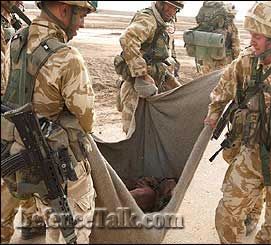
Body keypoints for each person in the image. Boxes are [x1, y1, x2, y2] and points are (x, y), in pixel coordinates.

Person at [2, 1, 97, 243]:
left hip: (23, 150)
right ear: (65, 10)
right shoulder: (67, 56)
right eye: (82, 15)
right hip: (56, 160)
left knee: (50, 220)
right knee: (72, 227)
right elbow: (87, 119)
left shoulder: (17, 41)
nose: (82, 24)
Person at [204, 1, 271, 243]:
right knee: (227, 215)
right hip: (251, 150)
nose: (251, 40)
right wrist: (214, 112)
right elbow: (221, 90)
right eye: (251, 34)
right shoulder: (247, 61)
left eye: (257, 35)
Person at [1, 1, 47, 242]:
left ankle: (31, 219)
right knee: (10, 174)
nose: (20, 2)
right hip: (7, 111)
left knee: (28, 164)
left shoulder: (12, 22)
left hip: (13, 109)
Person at [114, 1, 184, 134]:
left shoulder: (162, 24)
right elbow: (128, 38)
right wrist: (142, 74)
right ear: (160, 4)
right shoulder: (148, 19)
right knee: (135, 136)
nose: (172, 11)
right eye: (170, 6)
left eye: (175, 9)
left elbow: (159, 59)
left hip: (156, 86)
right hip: (137, 89)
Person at [194, 1, 241, 74]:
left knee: (206, 80)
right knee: (221, 82)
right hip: (224, 60)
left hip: (207, 59)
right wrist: (237, 61)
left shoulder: (208, 24)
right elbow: (236, 47)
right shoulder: (231, 26)